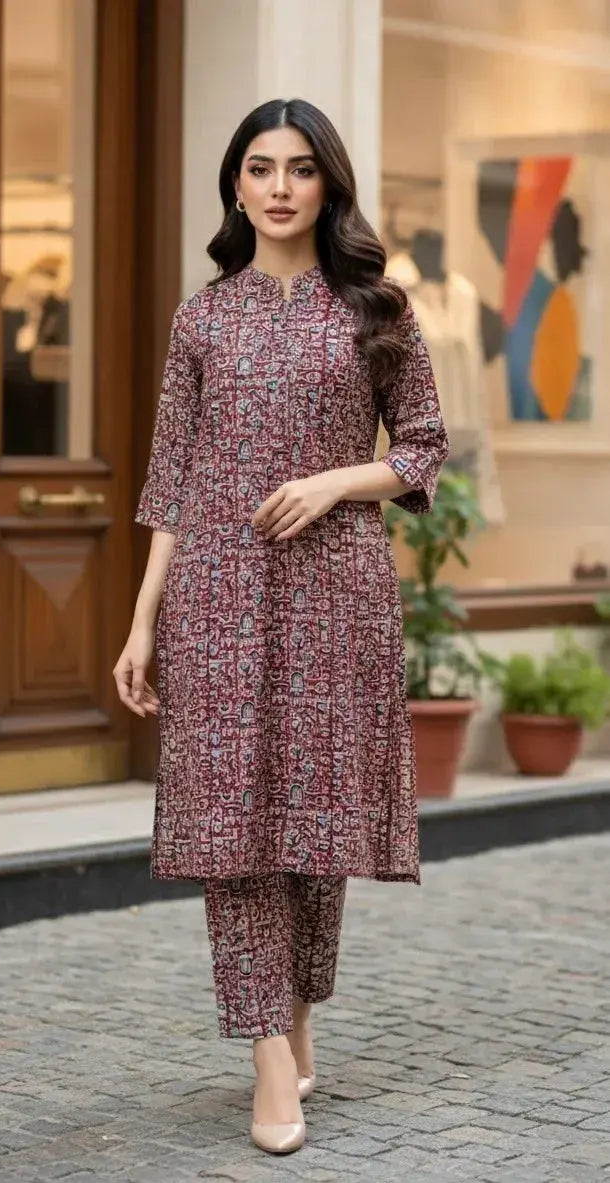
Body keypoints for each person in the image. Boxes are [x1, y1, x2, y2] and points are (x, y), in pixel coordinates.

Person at [113, 98, 449, 1156]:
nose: (275, 187)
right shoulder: (199, 318)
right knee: (230, 830)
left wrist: (332, 482)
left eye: (298, 169)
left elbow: (423, 449)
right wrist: (139, 619)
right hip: (214, 593)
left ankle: (299, 1010)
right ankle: (265, 1051)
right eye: (257, 167)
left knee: (313, 826)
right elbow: (170, 476)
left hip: (334, 591)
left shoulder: (375, 310)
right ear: (234, 184)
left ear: (326, 185)